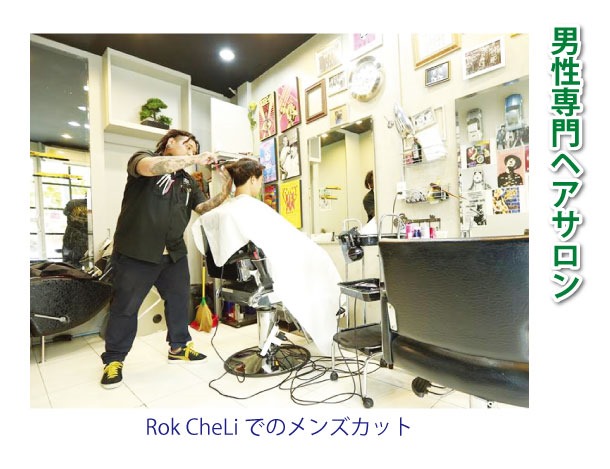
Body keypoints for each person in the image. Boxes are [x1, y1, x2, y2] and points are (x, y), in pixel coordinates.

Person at [100, 129, 232, 389]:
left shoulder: (188, 182)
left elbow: (203, 208)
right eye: (188, 145)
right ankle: (114, 360)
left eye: (195, 149)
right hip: (136, 251)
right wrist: (195, 159)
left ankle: (179, 347)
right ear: (170, 142)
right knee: (125, 307)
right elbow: (152, 167)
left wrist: (227, 188)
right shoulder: (143, 160)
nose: (191, 151)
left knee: (179, 301)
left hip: (173, 254)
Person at [194, 158, 342, 356]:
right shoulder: (250, 209)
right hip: (262, 276)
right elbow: (283, 241)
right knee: (321, 266)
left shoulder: (224, 211)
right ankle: (328, 321)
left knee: (314, 266)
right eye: (261, 180)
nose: (261, 185)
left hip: (238, 278)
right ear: (252, 179)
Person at [62, 198, 89, 267]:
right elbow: (65, 213)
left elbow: (65, 213)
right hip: (73, 235)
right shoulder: (73, 203)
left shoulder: (73, 203)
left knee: (70, 265)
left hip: (80, 236)